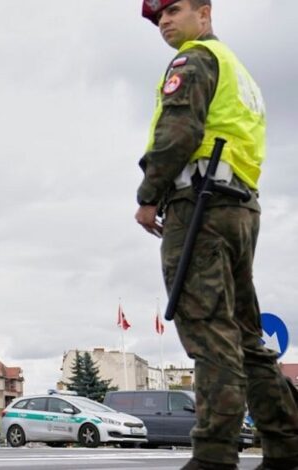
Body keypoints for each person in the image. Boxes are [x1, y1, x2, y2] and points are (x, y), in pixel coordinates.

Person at [135, 1, 298, 469]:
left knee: (209, 332)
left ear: (204, 14)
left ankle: (213, 456)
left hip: (200, 205)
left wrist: (149, 195)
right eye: (158, 18)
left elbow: (178, 132)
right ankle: (286, 445)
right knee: (246, 336)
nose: (165, 21)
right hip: (240, 206)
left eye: (173, 9)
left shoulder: (194, 59)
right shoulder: (238, 71)